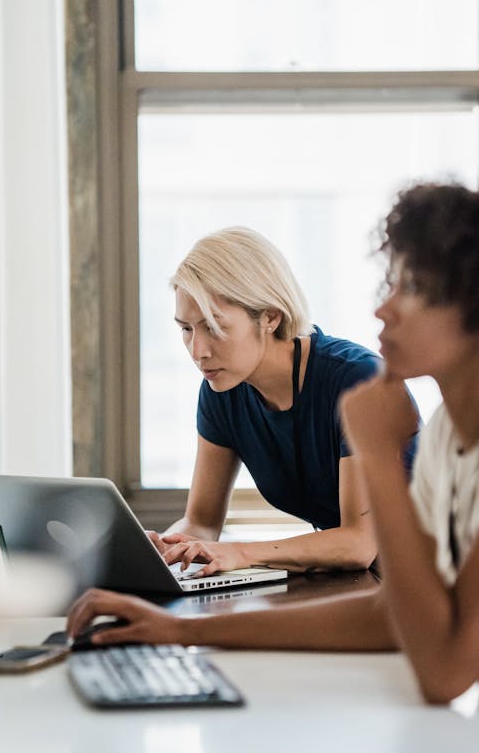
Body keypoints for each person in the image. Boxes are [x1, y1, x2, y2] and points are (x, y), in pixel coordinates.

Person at [67, 171, 479, 752]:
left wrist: (378, 454)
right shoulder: (450, 438)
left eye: (414, 289)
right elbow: (389, 614)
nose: (384, 310)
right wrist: (179, 629)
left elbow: (445, 670)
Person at [146, 226, 417, 576]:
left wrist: (239, 553)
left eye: (214, 326)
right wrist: (162, 552)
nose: (198, 351)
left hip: (437, 577)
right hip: (362, 585)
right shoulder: (221, 388)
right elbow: (201, 523)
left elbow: (359, 543)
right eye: (186, 329)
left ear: (270, 317)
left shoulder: (356, 378)